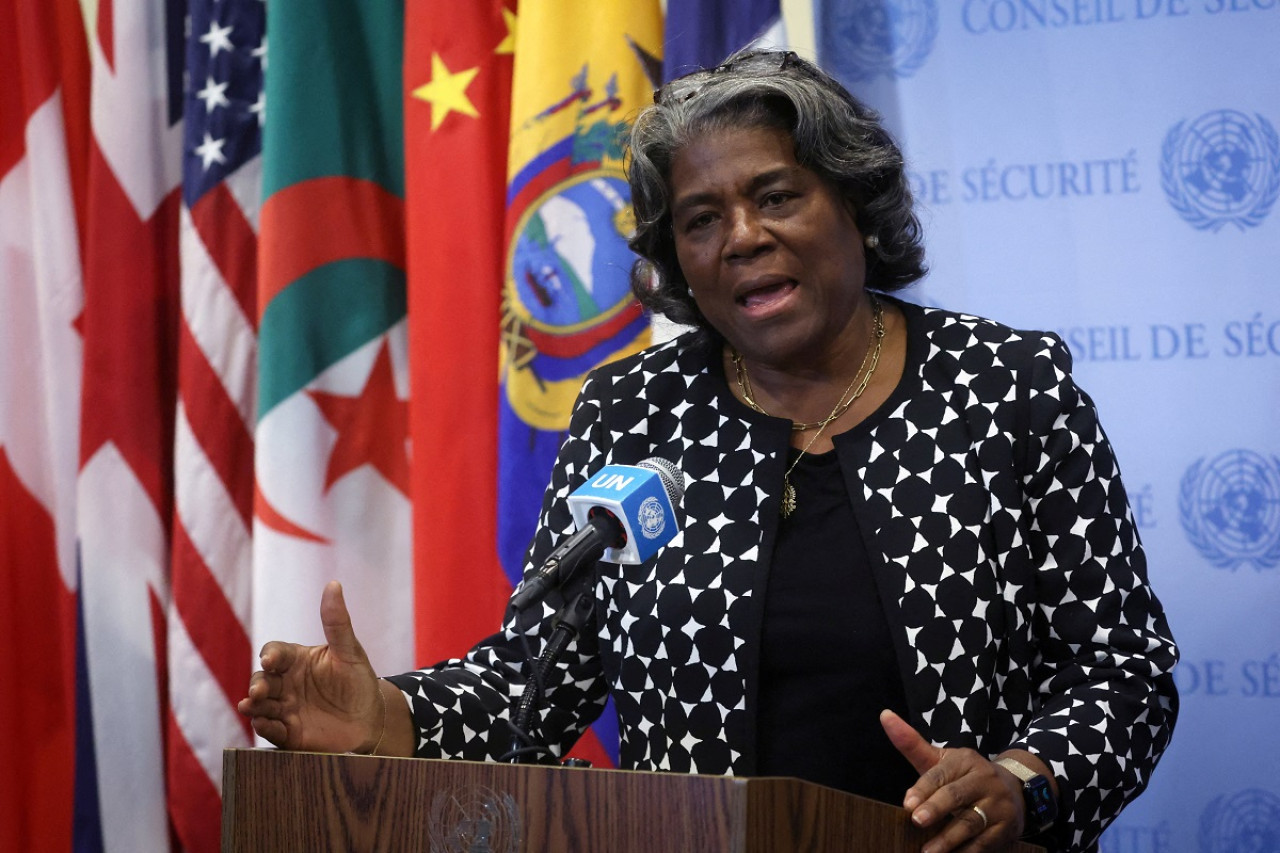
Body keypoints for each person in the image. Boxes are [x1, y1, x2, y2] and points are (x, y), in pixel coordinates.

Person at [239, 49, 1178, 853]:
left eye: (776, 195)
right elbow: (542, 673)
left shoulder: (1007, 387)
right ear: (674, 257)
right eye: (700, 219)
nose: (743, 238)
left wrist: (1025, 778)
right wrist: (389, 718)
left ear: (853, 203)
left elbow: (1124, 670)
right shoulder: (632, 410)